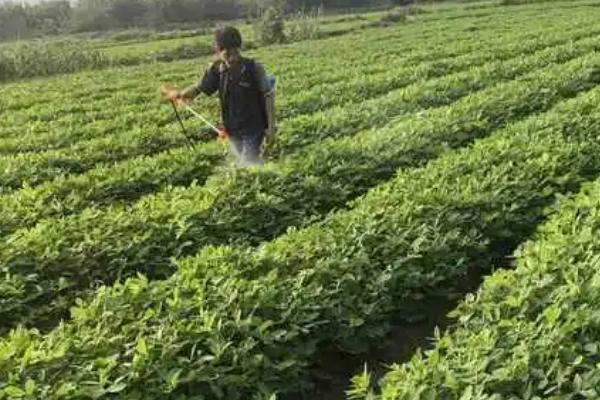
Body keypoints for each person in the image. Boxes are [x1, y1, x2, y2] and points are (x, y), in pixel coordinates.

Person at [163, 26, 276, 167]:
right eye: (227, 52)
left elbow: (268, 96)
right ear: (220, 50)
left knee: (248, 165)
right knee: (243, 163)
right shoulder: (217, 69)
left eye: (234, 51)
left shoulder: (253, 68)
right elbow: (199, 88)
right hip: (232, 129)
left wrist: (271, 127)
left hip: (253, 128)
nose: (231, 57)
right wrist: (180, 95)